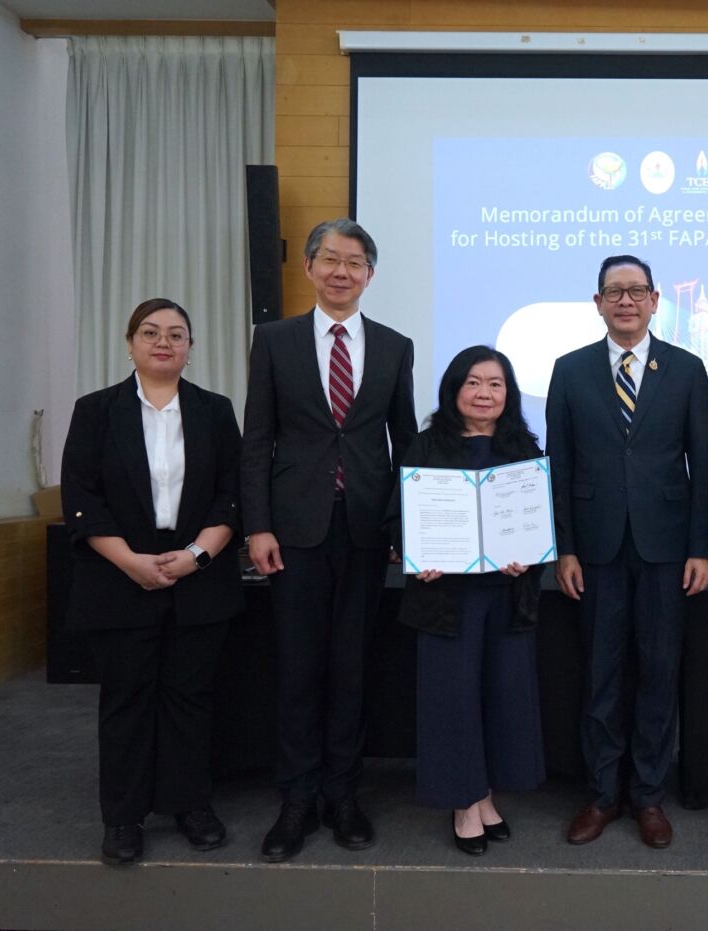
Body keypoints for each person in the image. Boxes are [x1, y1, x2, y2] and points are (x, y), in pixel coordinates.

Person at [241, 218, 417, 862]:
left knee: (352, 665)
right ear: (311, 268)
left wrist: (407, 525)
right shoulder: (276, 341)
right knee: (297, 667)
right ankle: (296, 798)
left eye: (356, 263)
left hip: (367, 531)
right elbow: (257, 439)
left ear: (370, 274)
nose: (343, 272)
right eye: (331, 260)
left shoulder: (396, 346)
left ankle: (343, 794)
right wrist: (258, 524)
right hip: (293, 532)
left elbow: (406, 448)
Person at [61, 298, 243, 864]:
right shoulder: (95, 411)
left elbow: (231, 496)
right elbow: (82, 500)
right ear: (130, 342)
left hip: (198, 577)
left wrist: (195, 555)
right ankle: (123, 818)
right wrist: (131, 561)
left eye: (177, 334)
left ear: (191, 348)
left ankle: (190, 805)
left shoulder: (215, 411)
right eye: (150, 332)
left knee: (190, 698)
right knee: (127, 700)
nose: (163, 342)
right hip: (117, 578)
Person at [546, 254, 708, 848]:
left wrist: (703, 546)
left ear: (653, 300)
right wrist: (563, 548)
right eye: (614, 291)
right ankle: (600, 794)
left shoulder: (689, 369)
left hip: (668, 549)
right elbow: (559, 466)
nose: (625, 300)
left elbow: (705, 462)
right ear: (597, 303)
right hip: (593, 549)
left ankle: (648, 795)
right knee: (600, 673)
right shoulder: (569, 370)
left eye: (636, 290)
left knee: (658, 672)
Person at [385, 346, 546, 856]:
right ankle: (463, 802)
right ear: (455, 389)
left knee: (502, 695)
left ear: (509, 393)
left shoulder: (525, 447)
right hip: (445, 598)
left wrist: (529, 556)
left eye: (495, 384)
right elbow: (397, 518)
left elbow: (539, 519)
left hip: (505, 596)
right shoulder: (427, 445)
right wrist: (416, 552)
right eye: (473, 383)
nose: (484, 393)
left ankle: (485, 792)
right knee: (452, 699)